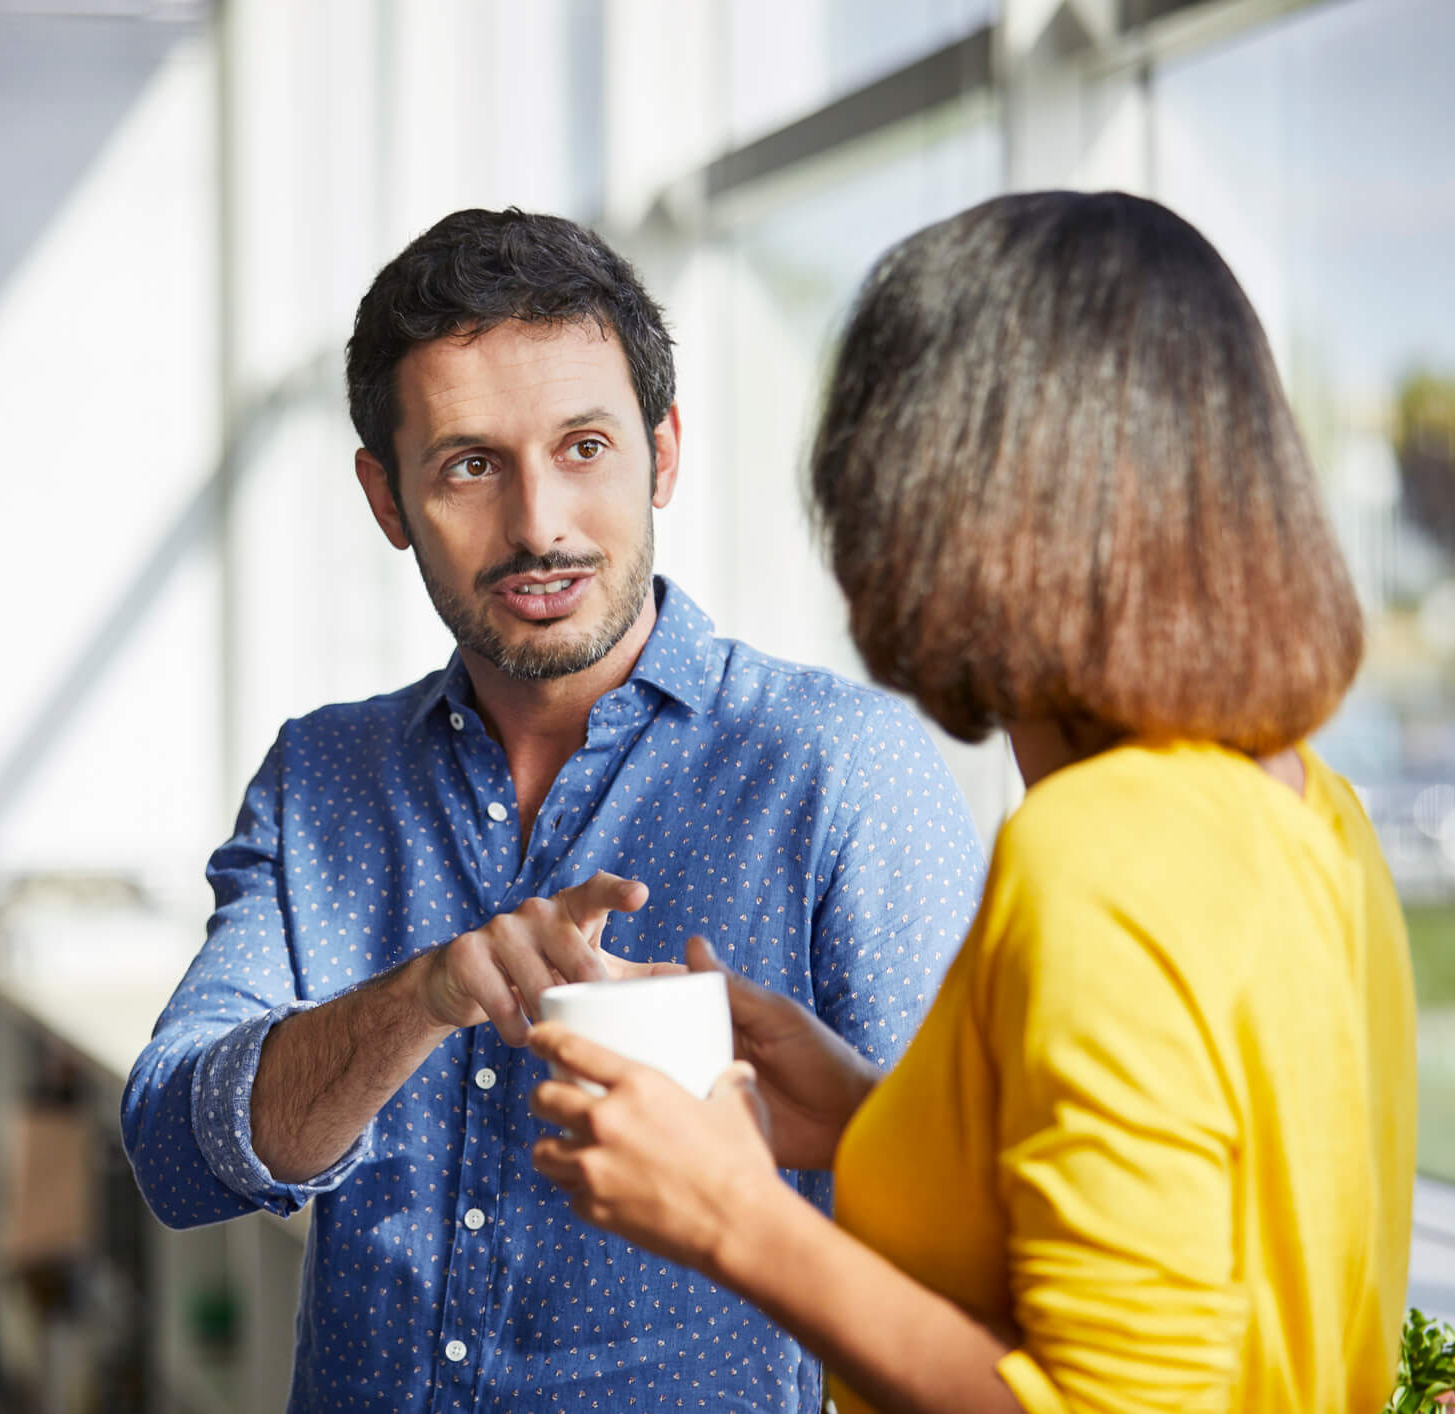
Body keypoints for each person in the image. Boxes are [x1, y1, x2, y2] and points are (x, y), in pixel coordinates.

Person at [526, 190, 1418, 1414]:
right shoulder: (1320, 812)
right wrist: (870, 1120)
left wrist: (734, 1221)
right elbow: (1194, 1234)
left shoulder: (1099, 854)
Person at [121, 207, 988, 1412]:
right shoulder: (323, 776)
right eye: (471, 464)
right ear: (385, 497)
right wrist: (425, 997)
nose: (539, 525)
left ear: (664, 450)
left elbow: (973, 1237)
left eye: (584, 447)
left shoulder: (840, 771)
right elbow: (174, 1151)